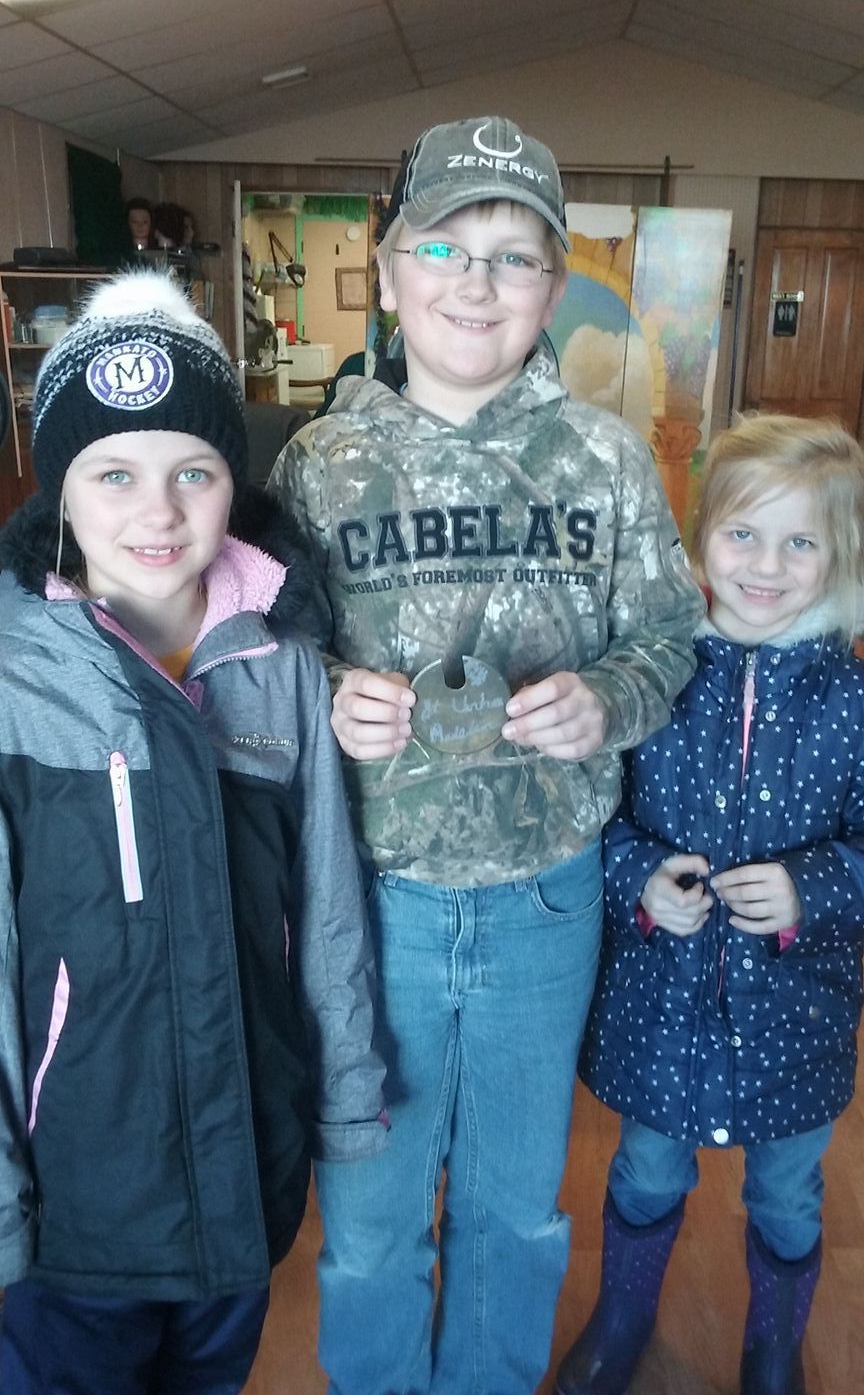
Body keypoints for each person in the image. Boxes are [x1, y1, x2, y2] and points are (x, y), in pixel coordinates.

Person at [268, 114, 705, 1395]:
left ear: (553, 289)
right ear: (392, 272)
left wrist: (608, 703)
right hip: (374, 911)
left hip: (544, 902)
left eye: (513, 258)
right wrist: (336, 692)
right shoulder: (316, 467)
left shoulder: (611, 461)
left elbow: (669, 640)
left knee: (519, 1214)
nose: (476, 282)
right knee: (370, 1232)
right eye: (445, 249)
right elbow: (267, 664)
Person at [0, 268, 386, 1394]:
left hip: (240, 1179)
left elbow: (325, 909)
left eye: (194, 472)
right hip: (78, 1208)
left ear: (235, 484)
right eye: (112, 474)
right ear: (58, 494)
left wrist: (347, 1103)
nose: (157, 513)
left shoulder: (283, 667)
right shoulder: (15, 680)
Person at [556, 415, 864, 1395]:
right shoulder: (652, 678)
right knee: (646, 1171)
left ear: (838, 555)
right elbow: (588, 813)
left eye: (800, 542)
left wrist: (809, 889)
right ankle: (624, 1317)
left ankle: (772, 1350)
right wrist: (641, 881)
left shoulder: (852, 700)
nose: (766, 566)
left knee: (788, 1194)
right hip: (665, 999)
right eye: (743, 534)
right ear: (700, 537)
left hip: (799, 1009)